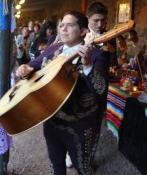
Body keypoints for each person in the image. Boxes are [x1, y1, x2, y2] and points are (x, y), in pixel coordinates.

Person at [16, 11, 109, 174]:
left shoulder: (96, 55)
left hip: (79, 124)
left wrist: (87, 64)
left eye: (70, 25)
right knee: (55, 165)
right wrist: (25, 69)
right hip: (51, 119)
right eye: (61, 25)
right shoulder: (53, 49)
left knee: (83, 168)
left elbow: (100, 88)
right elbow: (34, 65)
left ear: (83, 31)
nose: (63, 29)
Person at [86, 1, 119, 70]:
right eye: (96, 20)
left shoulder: (110, 37)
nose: (100, 24)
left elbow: (113, 63)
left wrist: (114, 68)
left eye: (102, 20)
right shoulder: (80, 35)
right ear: (88, 18)